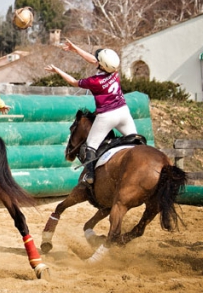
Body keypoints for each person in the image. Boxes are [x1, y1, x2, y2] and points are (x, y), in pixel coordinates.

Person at [44, 39, 137, 185]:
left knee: (90, 146)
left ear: (102, 65)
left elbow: (73, 82)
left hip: (107, 116)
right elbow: (95, 61)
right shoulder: (115, 72)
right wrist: (75, 48)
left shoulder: (94, 81)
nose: (96, 61)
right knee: (136, 141)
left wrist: (57, 70)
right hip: (123, 112)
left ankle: (90, 176)